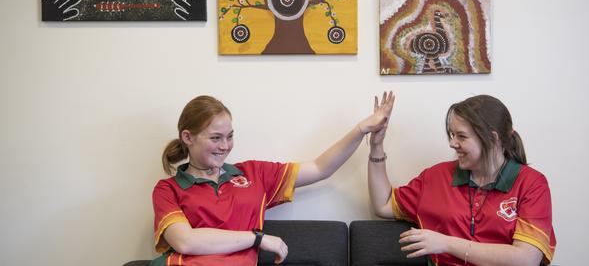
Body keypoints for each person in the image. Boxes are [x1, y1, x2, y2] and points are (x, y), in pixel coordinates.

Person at [151, 93, 395, 266]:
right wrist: (258, 238)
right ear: (188, 137)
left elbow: (321, 167)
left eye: (230, 136)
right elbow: (185, 242)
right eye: (215, 138)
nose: (225, 146)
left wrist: (362, 129)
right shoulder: (168, 189)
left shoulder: (252, 174)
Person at [368, 95, 556, 266]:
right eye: (452, 134)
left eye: (462, 136)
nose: (452, 143)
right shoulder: (436, 177)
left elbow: (525, 260)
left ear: (493, 139)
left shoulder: (532, 184)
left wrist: (445, 243)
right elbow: (383, 205)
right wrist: (376, 146)